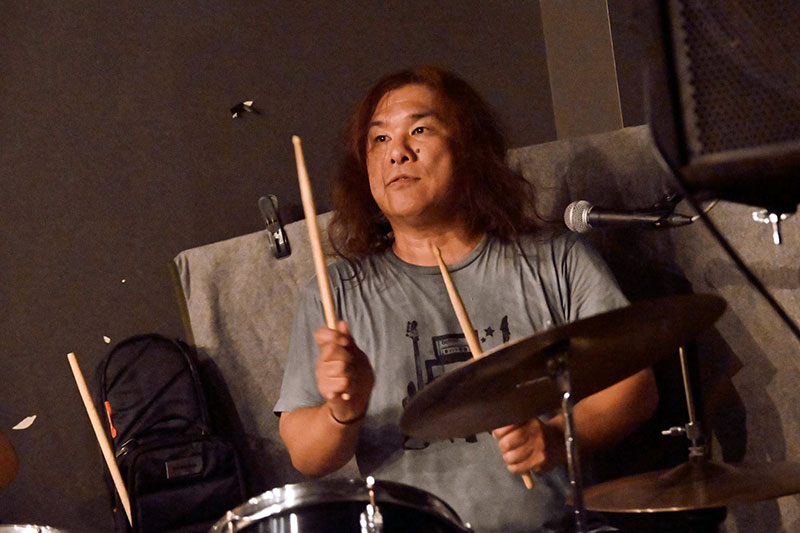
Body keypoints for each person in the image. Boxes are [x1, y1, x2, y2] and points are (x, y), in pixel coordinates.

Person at [274, 66, 658, 532]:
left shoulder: (556, 260)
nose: (397, 151)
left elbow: (634, 387)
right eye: (379, 139)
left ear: (469, 146)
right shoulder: (336, 293)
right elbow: (306, 455)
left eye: (419, 130)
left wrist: (558, 437)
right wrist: (343, 410)